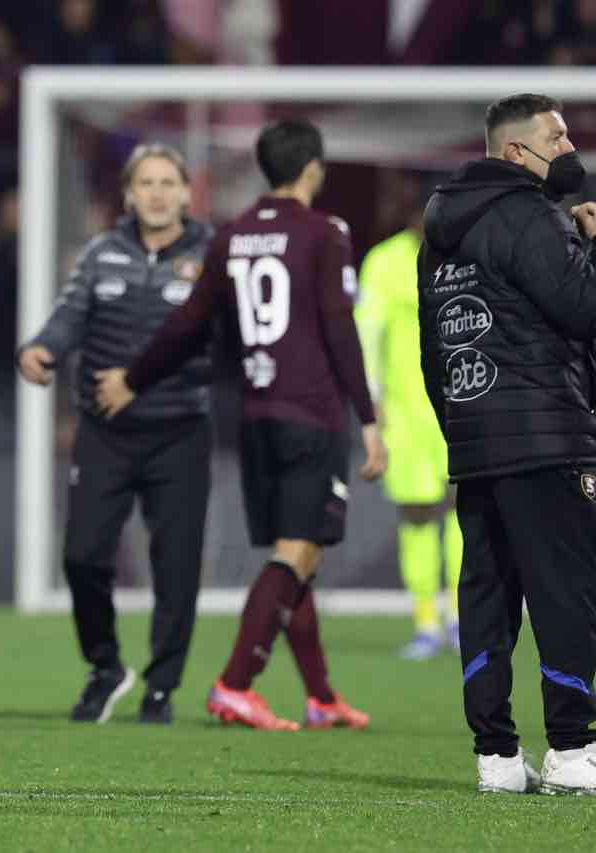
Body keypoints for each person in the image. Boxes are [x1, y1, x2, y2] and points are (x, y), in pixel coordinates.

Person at [95, 119, 386, 731]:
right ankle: (233, 684)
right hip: (311, 414)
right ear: (312, 168)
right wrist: (369, 416)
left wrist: (132, 377)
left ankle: (321, 696)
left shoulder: (233, 235)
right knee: (296, 552)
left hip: (255, 417)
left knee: (298, 559)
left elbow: (187, 326)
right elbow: (339, 328)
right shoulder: (326, 232)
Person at [417, 93, 596, 795]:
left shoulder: (440, 232)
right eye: (557, 135)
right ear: (516, 152)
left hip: (476, 437)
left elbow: (435, 349)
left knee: (488, 594)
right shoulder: (528, 213)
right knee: (565, 590)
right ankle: (575, 751)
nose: (569, 146)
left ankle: (495, 756)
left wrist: (460, 425)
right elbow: (581, 308)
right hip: (546, 433)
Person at [17, 143, 214, 724]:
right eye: (145, 183)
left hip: (180, 432)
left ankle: (162, 687)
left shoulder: (211, 255)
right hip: (105, 432)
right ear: (128, 194)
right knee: (81, 556)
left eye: (166, 182)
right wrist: (41, 348)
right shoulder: (103, 252)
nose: (156, 193)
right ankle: (105, 666)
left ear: (185, 192)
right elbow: (70, 312)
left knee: (176, 565)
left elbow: (220, 343)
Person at [356, 191, 463, 660]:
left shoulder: (473, 253)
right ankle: (425, 621)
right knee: (418, 514)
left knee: (467, 512)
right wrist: (372, 400)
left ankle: (462, 617)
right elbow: (366, 332)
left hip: (463, 405)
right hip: (405, 414)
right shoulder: (383, 262)